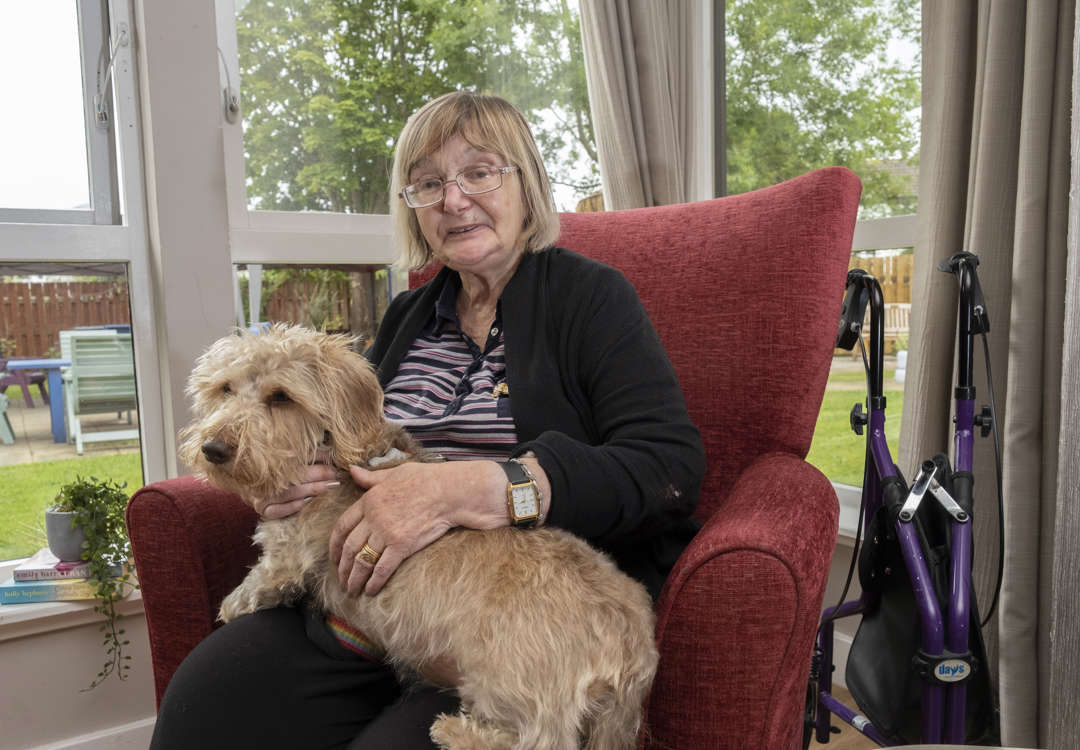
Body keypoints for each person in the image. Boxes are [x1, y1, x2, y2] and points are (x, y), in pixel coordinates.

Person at [150, 90, 705, 750]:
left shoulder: (590, 299)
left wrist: (478, 490)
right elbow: (356, 441)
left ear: (526, 180)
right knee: (201, 711)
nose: (453, 199)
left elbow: (668, 468)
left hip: (505, 622)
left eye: (478, 171)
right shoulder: (409, 318)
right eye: (428, 183)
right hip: (368, 614)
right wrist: (295, 479)